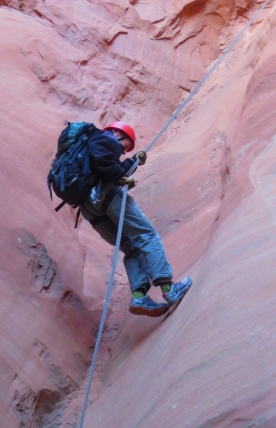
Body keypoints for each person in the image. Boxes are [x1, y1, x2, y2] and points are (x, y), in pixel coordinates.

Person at [79, 121, 192, 317]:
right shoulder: (104, 138)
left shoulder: (88, 151)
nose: (123, 151)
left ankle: (139, 297)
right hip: (106, 196)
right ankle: (168, 290)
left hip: (90, 208)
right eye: (125, 145)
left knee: (131, 247)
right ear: (117, 134)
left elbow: (108, 166)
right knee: (147, 236)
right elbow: (104, 161)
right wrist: (119, 176)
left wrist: (133, 162)